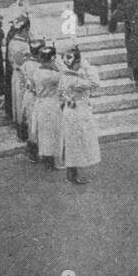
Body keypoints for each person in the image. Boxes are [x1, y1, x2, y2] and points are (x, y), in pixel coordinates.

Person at [57, 46, 100, 185]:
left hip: (71, 110)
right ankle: (71, 175)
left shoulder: (64, 75)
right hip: (77, 112)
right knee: (75, 142)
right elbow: (95, 83)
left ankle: (72, 173)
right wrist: (86, 65)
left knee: (73, 142)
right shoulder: (74, 79)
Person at [30, 44, 64, 171]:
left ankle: (45, 158)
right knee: (53, 132)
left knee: (43, 132)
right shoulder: (52, 76)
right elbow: (64, 77)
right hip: (51, 104)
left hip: (40, 103)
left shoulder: (37, 72)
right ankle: (53, 161)